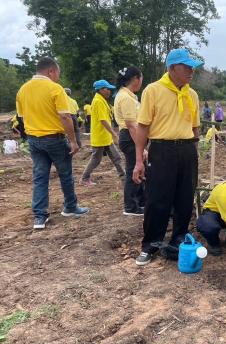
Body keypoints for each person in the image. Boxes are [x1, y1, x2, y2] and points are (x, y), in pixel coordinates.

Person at [132, 48, 202, 266]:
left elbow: (196, 128)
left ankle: (178, 238)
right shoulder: (153, 90)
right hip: (162, 150)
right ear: (172, 68)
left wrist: (193, 151)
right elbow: (143, 127)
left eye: (192, 67)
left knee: (184, 197)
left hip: (187, 150)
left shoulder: (192, 94)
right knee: (158, 199)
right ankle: (151, 244)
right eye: (186, 66)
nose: (191, 71)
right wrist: (139, 160)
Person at [15, 57, 89, 229]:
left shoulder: (22, 90)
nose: (58, 77)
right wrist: (73, 141)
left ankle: (39, 217)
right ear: (51, 71)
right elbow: (65, 116)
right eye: (58, 73)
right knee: (65, 174)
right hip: (54, 139)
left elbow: (21, 117)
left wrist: (30, 135)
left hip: (34, 139)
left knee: (40, 177)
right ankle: (70, 207)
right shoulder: (55, 88)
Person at [114, 66, 146, 216]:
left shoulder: (128, 95)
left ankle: (140, 202)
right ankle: (130, 206)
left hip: (131, 136)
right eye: (141, 79)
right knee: (133, 169)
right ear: (135, 79)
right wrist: (141, 147)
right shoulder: (126, 98)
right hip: (130, 136)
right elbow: (131, 125)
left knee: (138, 169)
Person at [81, 80, 125, 186]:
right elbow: (103, 120)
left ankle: (124, 176)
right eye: (107, 89)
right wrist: (114, 134)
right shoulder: (98, 101)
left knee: (116, 157)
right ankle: (84, 178)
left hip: (105, 136)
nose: (109, 91)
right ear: (100, 90)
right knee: (96, 159)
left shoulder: (102, 100)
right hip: (101, 136)